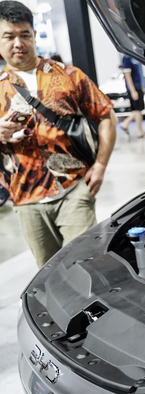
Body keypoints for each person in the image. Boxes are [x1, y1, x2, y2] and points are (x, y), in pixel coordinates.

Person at [0, 1, 117, 267]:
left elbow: (106, 115)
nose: (18, 43)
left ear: (34, 34)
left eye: (24, 35)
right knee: (49, 272)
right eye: (8, 36)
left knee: (86, 264)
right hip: (25, 197)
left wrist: (99, 165)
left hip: (73, 188)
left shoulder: (68, 75)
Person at [119, 54, 145, 138]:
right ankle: (139, 131)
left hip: (138, 87)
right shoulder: (127, 58)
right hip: (133, 88)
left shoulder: (135, 56)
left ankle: (125, 123)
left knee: (138, 110)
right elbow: (127, 75)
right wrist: (133, 90)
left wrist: (142, 86)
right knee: (137, 110)